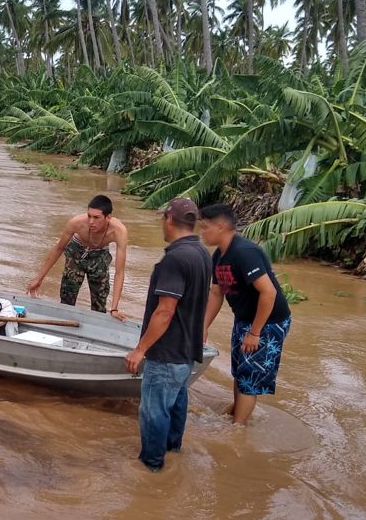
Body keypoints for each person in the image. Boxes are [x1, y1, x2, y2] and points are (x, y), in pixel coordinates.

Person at [124, 199, 211, 472]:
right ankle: (173, 451)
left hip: (166, 352)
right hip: (187, 352)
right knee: (176, 403)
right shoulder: (202, 253)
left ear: (169, 219)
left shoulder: (174, 259)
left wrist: (140, 350)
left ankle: (152, 468)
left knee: (153, 412)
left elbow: (165, 311)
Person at [199, 203, 291, 426]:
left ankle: (237, 430)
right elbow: (216, 292)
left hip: (268, 322)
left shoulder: (244, 252)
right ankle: (236, 415)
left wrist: (255, 332)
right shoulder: (219, 256)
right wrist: (203, 325)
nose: (201, 232)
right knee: (240, 371)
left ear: (221, 226)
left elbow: (268, 293)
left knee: (250, 377)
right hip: (245, 319)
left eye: (205, 227)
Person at [26, 195, 129, 319]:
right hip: (76, 251)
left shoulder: (119, 231)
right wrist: (38, 279)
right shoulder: (77, 223)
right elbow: (59, 248)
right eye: (89, 216)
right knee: (67, 298)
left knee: (99, 304)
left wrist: (114, 308)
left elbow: (119, 272)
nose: (91, 222)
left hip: (100, 255)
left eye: (96, 218)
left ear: (108, 217)